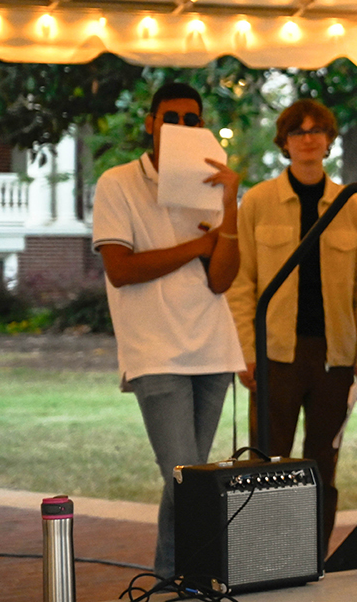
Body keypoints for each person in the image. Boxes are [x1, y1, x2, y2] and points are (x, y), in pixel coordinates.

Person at [91, 81, 246, 578]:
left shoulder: (207, 186)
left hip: (213, 349)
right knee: (183, 477)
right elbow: (121, 268)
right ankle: (176, 582)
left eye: (192, 119)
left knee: (191, 481)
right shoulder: (117, 182)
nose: (182, 127)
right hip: (155, 351)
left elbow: (222, 279)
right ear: (151, 123)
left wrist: (231, 202)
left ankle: (179, 581)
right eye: (172, 118)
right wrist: (195, 248)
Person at [225, 98, 357, 547]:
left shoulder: (350, 205)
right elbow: (242, 285)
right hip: (276, 355)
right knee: (266, 463)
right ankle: (262, 553)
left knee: (322, 466)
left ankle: (312, 555)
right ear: (285, 143)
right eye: (298, 131)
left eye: (317, 131)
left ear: (329, 141)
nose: (308, 139)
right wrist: (247, 354)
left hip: (336, 357)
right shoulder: (257, 202)